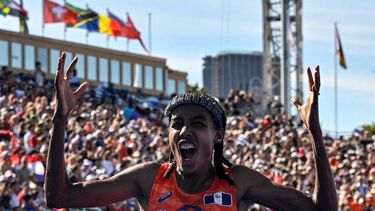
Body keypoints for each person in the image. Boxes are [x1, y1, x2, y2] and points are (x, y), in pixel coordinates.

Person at [44, 52, 338, 211]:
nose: (185, 130)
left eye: (198, 123)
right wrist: (60, 118)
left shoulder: (240, 183)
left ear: (217, 135)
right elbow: (60, 197)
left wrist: (315, 133)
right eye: (177, 124)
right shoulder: (148, 179)